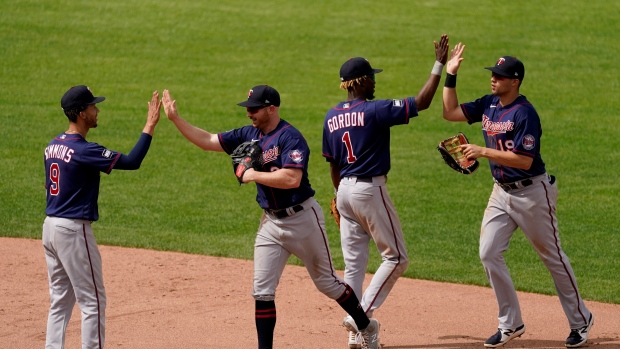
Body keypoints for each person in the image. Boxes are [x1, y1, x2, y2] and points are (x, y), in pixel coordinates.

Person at [161, 85, 380, 349]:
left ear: (271, 108)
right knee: (262, 291)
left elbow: (292, 178)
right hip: (271, 224)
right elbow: (209, 140)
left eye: (254, 108)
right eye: (248, 108)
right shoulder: (248, 135)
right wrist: (176, 119)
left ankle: (367, 326)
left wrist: (252, 174)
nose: (248, 113)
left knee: (328, 284)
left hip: (303, 220)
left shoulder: (291, 138)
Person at [441, 44, 594, 348]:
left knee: (553, 258)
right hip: (501, 192)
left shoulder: (525, 113)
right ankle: (511, 323)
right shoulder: (489, 104)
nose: (493, 79)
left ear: (515, 81)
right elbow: (450, 112)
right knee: (488, 252)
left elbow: (524, 160)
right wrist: (451, 75)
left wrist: (483, 151)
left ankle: (581, 320)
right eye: (492, 75)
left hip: (532, 193)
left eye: (499, 76)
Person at [322, 34, 449, 348]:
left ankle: (357, 335)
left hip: (345, 192)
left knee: (353, 265)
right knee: (396, 258)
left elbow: (333, 164)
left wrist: (339, 196)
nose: (375, 85)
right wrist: (439, 64)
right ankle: (360, 316)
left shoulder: (331, 117)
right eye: (372, 79)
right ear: (361, 82)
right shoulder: (374, 110)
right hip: (369, 191)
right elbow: (422, 102)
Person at [43, 85, 161, 349]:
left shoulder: (52, 146)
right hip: (73, 231)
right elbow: (132, 162)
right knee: (93, 301)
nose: (97, 110)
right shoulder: (84, 150)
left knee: (60, 299)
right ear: (82, 113)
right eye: (93, 106)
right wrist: (150, 125)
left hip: (50, 227)